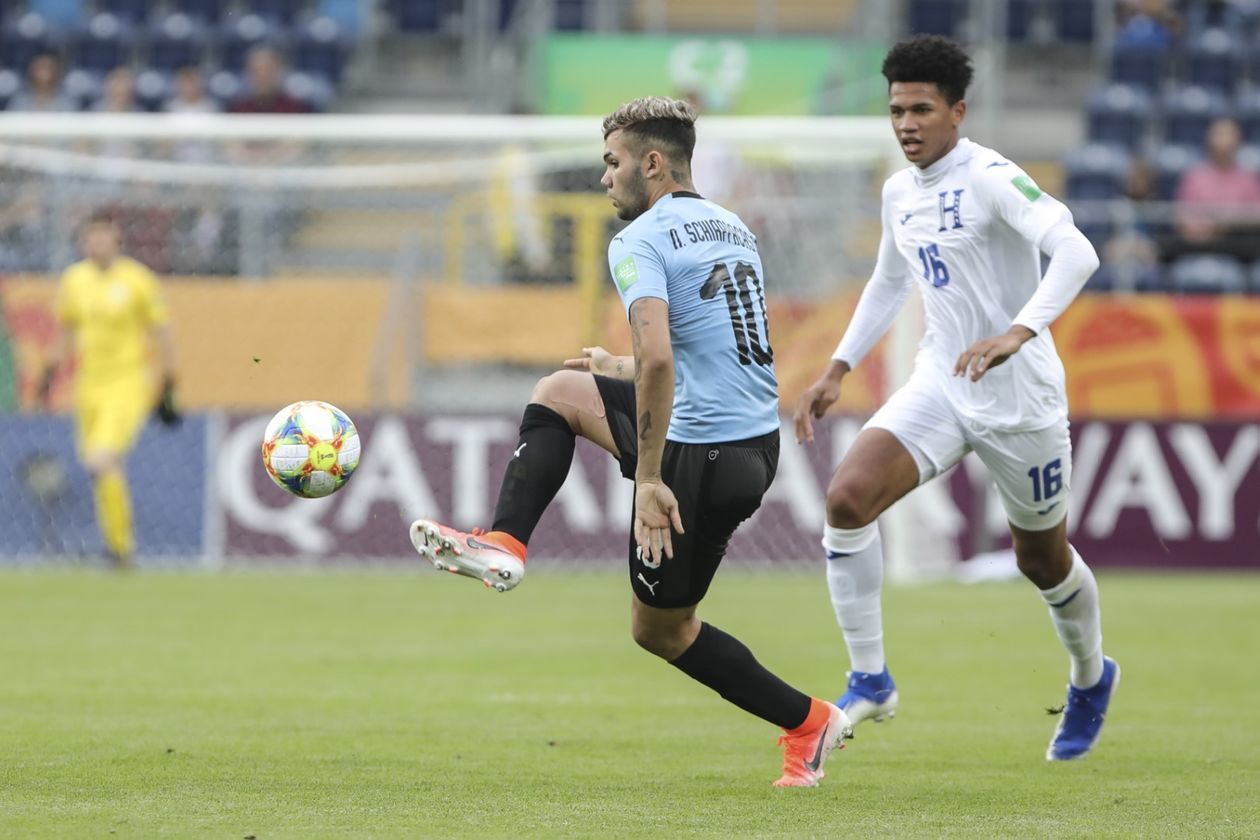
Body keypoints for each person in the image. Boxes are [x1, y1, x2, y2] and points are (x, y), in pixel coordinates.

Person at [409, 96, 852, 788]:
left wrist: (650, 479)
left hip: (694, 454)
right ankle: (506, 543)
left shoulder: (637, 239)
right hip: (749, 443)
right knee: (560, 391)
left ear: (652, 163)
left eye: (612, 163)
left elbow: (658, 362)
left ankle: (809, 720)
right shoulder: (730, 224)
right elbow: (714, 347)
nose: (604, 178)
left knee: (662, 631)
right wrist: (617, 369)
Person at [793, 35, 1116, 762]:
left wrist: (1018, 331)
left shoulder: (994, 178)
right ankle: (870, 678)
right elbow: (889, 281)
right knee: (847, 500)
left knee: (1042, 559)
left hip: (1020, 400)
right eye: (896, 110)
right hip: (942, 379)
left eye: (921, 110)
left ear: (957, 112)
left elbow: (1078, 252)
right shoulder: (898, 190)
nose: (906, 124)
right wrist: (840, 365)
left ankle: (1091, 677)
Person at [39, 212, 180, 568]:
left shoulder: (137, 280)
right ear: (83, 242)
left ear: (117, 241)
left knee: (102, 459)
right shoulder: (74, 280)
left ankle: (120, 547)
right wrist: (50, 373)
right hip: (88, 385)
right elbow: (67, 330)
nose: (97, 244)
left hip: (128, 382)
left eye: (104, 238)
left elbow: (162, 331)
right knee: (101, 466)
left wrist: (169, 382)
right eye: (91, 238)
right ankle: (118, 548)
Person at [1166, 117, 1260, 262]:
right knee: (1169, 246)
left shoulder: (1248, 178)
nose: (1224, 142)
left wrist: (1228, 223)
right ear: (1209, 139)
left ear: (1238, 140)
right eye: (1219, 135)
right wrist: (1213, 227)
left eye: (1228, 135)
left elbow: (1256, 216)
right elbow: (1183, 220)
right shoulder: (1195, 177)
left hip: (1237, 242)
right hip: (1201, 241)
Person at [9, 53, 73, 112]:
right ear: (31, 71)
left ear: (56, 72)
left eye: (48, 68)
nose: (43, 73)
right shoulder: (20, 100)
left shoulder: (66, 101)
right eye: (40, 67)